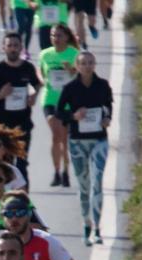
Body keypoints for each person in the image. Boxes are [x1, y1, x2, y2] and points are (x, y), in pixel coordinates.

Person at [56, 50, 113, 244]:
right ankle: (86, 223)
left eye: (90, 63)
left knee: (97, 183)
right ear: (77, 66)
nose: (87, 66)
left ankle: (97, 228)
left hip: (99, 140)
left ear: (94, 65)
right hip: (78, 141)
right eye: (83, 63)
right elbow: (59, 112)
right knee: (84, 185)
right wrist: (73, 116)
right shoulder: (70, 87)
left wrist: (107, 118)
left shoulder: (103, 85)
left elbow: (108, 106)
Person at [0, 31, 41, 156]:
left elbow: (37, 84)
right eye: (9, 45)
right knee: (6, 164)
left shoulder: (28, 68)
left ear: (21, 48)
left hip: (23, 123)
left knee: (22, 164)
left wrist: (34, 95)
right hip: (3, 125)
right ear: (4, 48)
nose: (13, 49)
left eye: (16, 45)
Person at [38, 23, 81, 187]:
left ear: (67, 38)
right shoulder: (45, 54)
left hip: (68, 102)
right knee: (56, 135)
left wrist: (71, 70)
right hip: (50, 99)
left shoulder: (74, 54)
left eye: (59, 36)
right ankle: (56, 172)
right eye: (53, 35)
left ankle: (66, 172)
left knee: (64, 138)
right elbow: (40, 72)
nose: (55, 39)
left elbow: (80, 76)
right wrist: (43, 81)